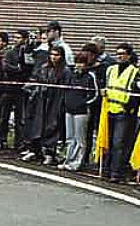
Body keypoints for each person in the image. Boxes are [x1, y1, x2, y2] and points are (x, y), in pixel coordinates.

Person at [22, 46, 72, 165]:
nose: (54, 57)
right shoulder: (44, 68)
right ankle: (35, 150)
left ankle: (50, 152)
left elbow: (66, 88)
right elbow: (37, 81)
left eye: (57, 55)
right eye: (52, 54)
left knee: (52, 126)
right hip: (41, 100)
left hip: (55, 100)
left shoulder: (65, 71)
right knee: (37, 124)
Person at [101, 43, 139, 183]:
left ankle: (116, 173)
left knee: (119, 144)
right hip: (109, 109)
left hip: (124, 112)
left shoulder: (135, 72)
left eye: (122, 53)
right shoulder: (110, 69)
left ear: (128, 55)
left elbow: (135, 93)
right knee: (109, 142)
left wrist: (129, 108)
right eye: (117, 53)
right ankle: (107, 170)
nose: (119, 56)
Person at [58, 51, 100, 172]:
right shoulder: (71, 74)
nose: (78, 65)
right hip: (69, 109)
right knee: (70, 137)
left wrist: (84, 103)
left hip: (81, 111)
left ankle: (77, 162)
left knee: (80, 138)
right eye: (77, 62)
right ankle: (68, 160)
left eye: (81, 63)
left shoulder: (90, 76)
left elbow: (95, 94)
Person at [0, 29, 34, 151]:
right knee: (3, 116)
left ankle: (19, 142)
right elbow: (6, 66)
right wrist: (17, 69)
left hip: (21, 88)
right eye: (16, 38)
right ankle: (1, 139)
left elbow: (28, 68)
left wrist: (20, 70)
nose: (17, 40)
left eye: (19, 38)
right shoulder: (10, 52)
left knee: (20, 118)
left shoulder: (28, 52)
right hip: (8, 87)